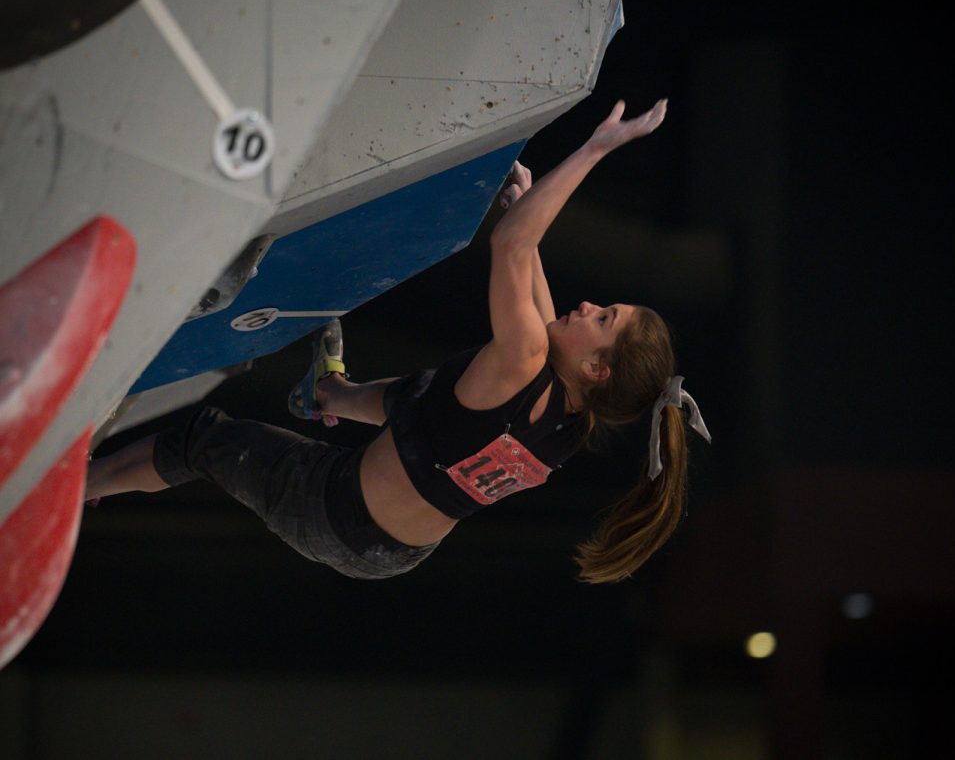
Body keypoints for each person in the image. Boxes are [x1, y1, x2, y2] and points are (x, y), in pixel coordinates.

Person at [85, 99, 709, 582]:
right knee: (433, 404)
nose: (589, 305)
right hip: (393, 546)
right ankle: (331, 394)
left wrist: (596, 149)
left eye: (605, 318)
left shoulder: (526, 361)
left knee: (206, 440)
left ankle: (75, 488)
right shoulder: (570, 423)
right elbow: (530, 278)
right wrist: (526, 204)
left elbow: (511, 246)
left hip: (332, 509)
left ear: (598, 368)